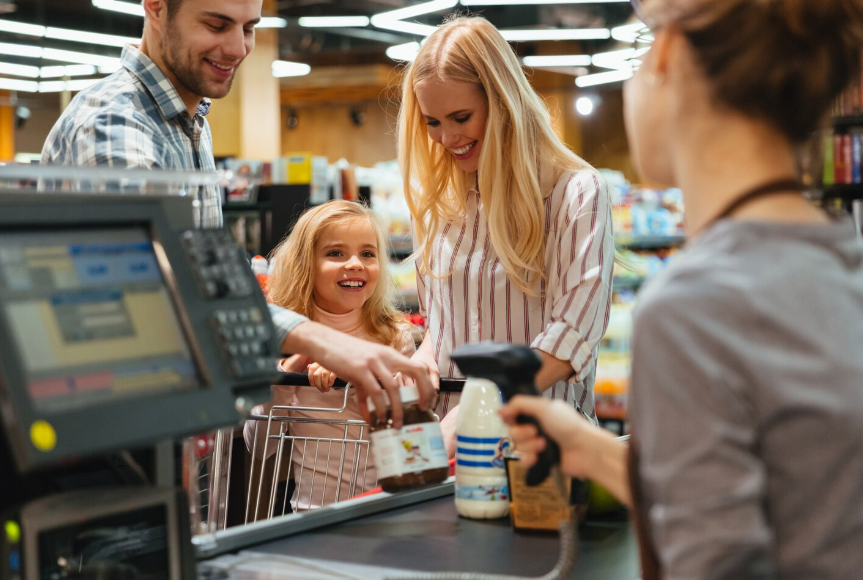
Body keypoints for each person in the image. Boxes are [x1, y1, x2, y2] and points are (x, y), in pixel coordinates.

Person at [502, 0, 863, 578]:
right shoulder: (841, 260)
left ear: (666, 52)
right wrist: (599, 453)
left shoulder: (695, 308)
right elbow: (803, 498)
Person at [40, 0, 432, 420]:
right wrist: (321, 340)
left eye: (248, 28)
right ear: (155, 7)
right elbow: (158, 285)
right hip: (116, 418)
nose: (238, 47)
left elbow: (205, 273)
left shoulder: (190, 124)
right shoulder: (117, 129)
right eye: (216, 24)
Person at [398, 16, 614, 454]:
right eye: (432, 122)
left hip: (540, 452)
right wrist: (420, 363)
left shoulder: (576, 193)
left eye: (461, 117)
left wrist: (482, 402)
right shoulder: (444, 203)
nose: (448, 138)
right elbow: (440, 327)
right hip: (452, 450)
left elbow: (571, 336)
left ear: (503, 100)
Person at [243, 201, 416, 509]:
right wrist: (292, 367)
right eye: (336, 253)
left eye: (367, 253)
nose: (355, 264)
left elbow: (413, 440)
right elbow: (259, 445)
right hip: (311, 514)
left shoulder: (393, 336)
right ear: (305, 263)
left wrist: (360, 380)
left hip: (390, 509)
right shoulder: (281, 338)